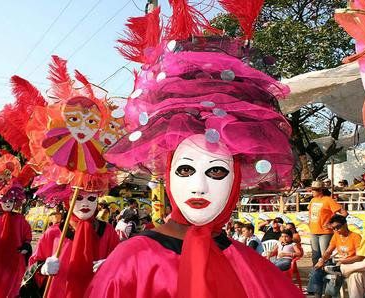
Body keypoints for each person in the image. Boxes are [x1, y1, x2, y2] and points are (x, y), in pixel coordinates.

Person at [86, 3, 302, 296]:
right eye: (186, 170)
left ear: (236, 179)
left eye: (216, 171)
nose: (199, 186)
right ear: (169, 173)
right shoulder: (132, 260)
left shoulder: (251, 265)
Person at [21, 190, 119, 298]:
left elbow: (122, 263)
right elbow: (34, 263)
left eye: (91, 198)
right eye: (78, 198)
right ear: (68, 201)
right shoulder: (54, 232)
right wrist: (42, 268)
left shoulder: (108, 231)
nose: (85, 204)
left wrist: (111, 265)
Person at [309, 215, 362, 297]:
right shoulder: (336, 236)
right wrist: (322, 260)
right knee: (317, 268)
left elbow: (359, 257)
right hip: (339, 264)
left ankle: (328, 296)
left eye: (338, 227)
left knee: (336, 275)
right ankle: (317, 295)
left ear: (345, 224)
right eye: (333, 228)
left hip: (351, 264)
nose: (336, 230)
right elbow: (328, 251)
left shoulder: (356, 237)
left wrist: (342, 262)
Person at [308, 181, 348, 266]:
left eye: (314, 190)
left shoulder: (328, 200)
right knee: (315, 256)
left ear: (320, 190)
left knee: (325, 255)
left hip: (325, 232)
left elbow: (344, 213)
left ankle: (326, 275)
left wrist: (335, 226)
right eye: (312, 190)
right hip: (313, 231)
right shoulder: (312, 200)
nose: (312, 191)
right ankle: (316, 275)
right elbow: (310, 214)